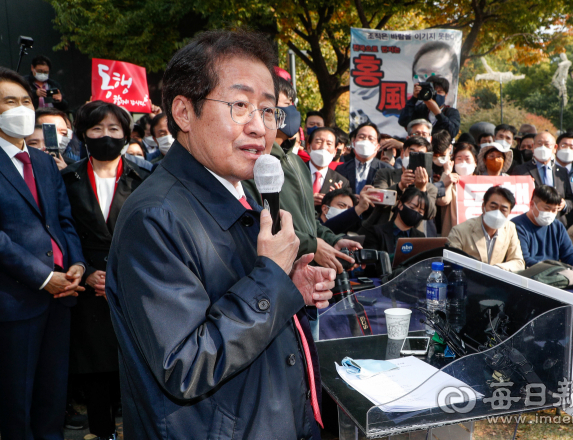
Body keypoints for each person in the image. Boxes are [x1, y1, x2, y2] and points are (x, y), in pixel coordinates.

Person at [106, 30, 337, 440]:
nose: (259, 126)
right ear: (183, 112)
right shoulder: (155, 218)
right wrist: (270, 276)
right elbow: (186, 364)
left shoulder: (245, 189)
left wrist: (289, 287)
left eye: (268, 110)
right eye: (240, 105)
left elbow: (240, 299)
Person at [0, 67, 85, 440]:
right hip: (16, 301)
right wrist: (43, 277)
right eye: (8, 102)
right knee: (16, 404)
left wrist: (77, 264)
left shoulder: (45, 163)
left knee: (53, 397)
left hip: (61, 297)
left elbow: (64, 221)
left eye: (25, 101)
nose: (20, 108)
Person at [61, 100, 150, 440]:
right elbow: (61, 229)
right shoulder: (66, 180)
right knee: (96, 373)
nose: (105, 136)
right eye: (97, 129)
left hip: (133, 288)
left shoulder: (144, 177)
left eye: (114, 129)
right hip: (87, 289)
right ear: (83, 134)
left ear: (127, 134)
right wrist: (84, 271)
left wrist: (119, 276)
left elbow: (151, 236)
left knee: (134, 368)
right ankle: (102, 434)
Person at [244, 76, 361, 278]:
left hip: (309, 276)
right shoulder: (254, 163)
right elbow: (264, 222)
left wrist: (332, 240)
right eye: (287, 104)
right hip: (277, 274)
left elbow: (309, 220)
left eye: (293, 105)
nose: (293, 112)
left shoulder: (297, 163)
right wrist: (313, 246)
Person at [447, 186, 525, 272]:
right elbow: (452, 262)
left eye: (503, 210)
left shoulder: (510, 228)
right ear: (483, 206)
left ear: (509, 212)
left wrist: (498, 268)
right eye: (493, 207)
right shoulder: (459, 231)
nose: (497, 213)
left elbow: (518, 262)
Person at [370, 136, 438, 225]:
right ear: (402, 154)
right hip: (382, 230)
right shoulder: (385, 174)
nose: (414, 157)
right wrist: (400, 186)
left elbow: (430, 215)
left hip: (411, 234)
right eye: (411, 153)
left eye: (420, 155)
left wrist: (422, 189)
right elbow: (378, 201)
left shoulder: (430, 188)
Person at [512, 131, 573, 226]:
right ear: (533, 147)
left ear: (555, 148)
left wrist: (564, 204)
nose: (543, 147)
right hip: (530, 223)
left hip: (557, 223)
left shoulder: (561, 172)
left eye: (547, 144)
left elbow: (571, 200)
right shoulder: (521, 170)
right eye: (539, 144)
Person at [511, 186, 573, 268]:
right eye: (546, 208)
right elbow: (524, 259)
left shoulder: (557, 226)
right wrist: (554, 267)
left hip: (554, 273)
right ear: (532, 204)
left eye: (554, 210)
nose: (550, 213)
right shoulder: (516, 226)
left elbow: (569, 254)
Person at [362, 187, 427, 260]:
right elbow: (371, 263)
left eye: (420, 212)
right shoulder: (375, 232)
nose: (416, 213)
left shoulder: (420, 237)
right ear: (400, 204)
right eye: (412, 207)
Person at [336, 122, 392, 194]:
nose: (366, 141)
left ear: (377, 147)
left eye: (371, 138)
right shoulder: (341, 169)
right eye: (361, 137)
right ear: (353, 142)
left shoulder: (387, 170)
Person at [437, 142, 477, 237]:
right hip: (453, 237)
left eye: (467, 158)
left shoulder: (482, 184)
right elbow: (442, 200)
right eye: (459, 159)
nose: (463, 162)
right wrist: (446, 174)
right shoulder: (449, 181)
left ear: (475, 162)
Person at [555, 132, 573, 226]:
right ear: (556, 147)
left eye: (571, 147)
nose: (567, 149)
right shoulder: (548, 170)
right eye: (564, 145)